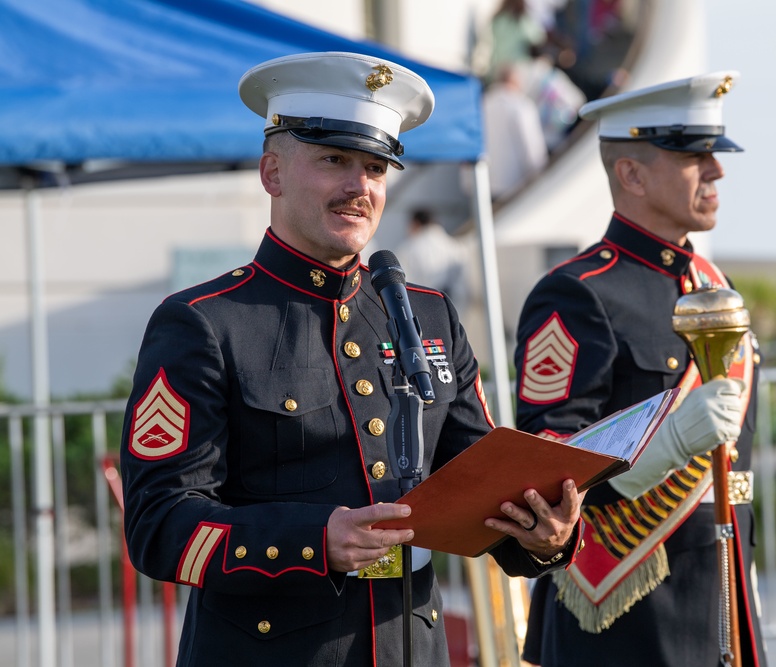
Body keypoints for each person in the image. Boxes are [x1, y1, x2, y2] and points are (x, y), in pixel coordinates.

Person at [119, 51, 583, 667]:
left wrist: (547, 534)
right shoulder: (205, 322)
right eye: (333, 160)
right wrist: (314, 542)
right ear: (272, 172)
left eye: (374, 167)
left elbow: (480, 488)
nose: (358, 187)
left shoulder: (430, 315)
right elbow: (158, 525)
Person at [514, 71, 767, 667]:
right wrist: (670, 443)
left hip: (721, 585)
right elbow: (548, 459)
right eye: (692, 155)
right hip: (628, 610)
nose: (717, 171)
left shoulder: (713, 283)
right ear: (630, 173)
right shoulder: (578, 293)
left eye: (715, 154)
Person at [482, 64, 549, 199]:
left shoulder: (481, 104)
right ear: (515, 81)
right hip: (514, 186)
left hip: (482, 185)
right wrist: (539, 176)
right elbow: (532, 148)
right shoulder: (521, 106)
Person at [395, 207, 471, 310]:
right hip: (455, 312)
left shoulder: (409, 249)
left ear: (415, 223)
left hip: (423, 311)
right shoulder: (457, 247)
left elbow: (401, 287)